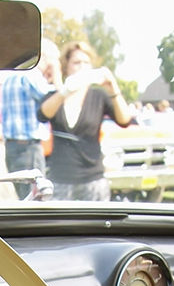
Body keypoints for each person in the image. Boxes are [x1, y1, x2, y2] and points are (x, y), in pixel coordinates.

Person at [39, 41, 132, 202]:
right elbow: (42, 114)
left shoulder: (99, 96)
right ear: (66, 66)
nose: (81, 67)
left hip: (93, 180)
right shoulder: (55, 96)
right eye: (76, 62)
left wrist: (113, 88)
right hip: (61, 180)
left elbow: (124, 120)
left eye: (86, 63)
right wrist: (65, 92)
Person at [1, 38, 60, 199]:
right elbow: (53, 99)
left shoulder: (10, 77)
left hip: (12, 148)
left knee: (24, 196)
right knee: (37, 198)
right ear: (46, 58)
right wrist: (56, 77)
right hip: (29, 148)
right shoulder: (31, 76)